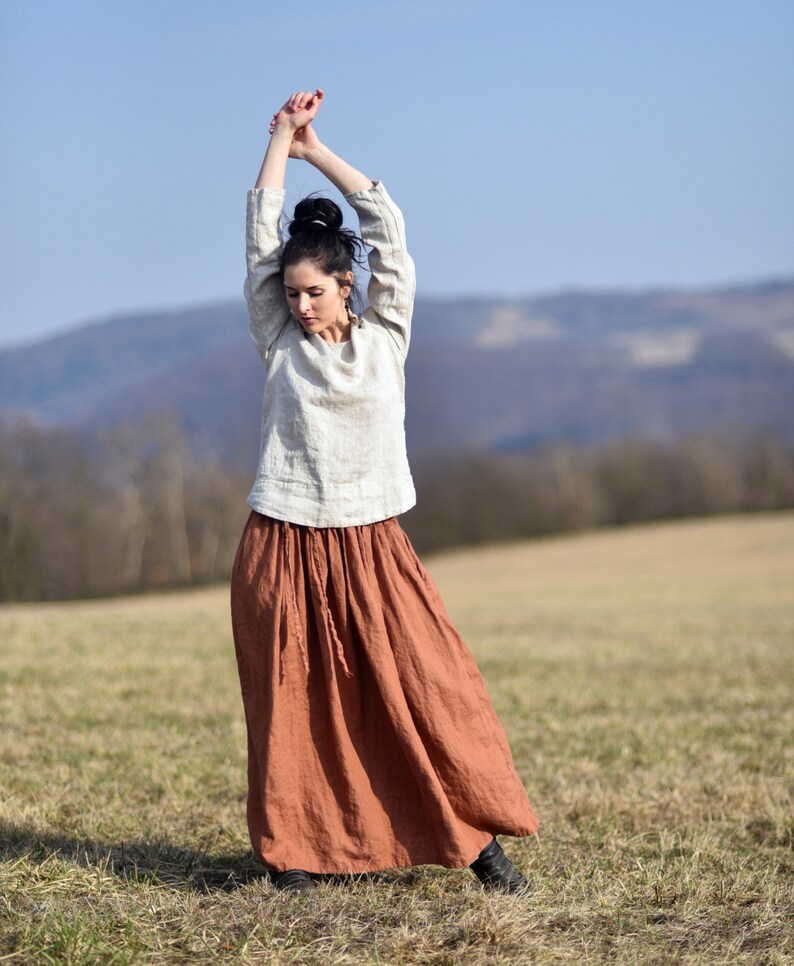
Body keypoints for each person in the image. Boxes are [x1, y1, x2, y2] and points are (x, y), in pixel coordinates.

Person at [230, 88, 540, 894]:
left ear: (346, 285)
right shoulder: (277, 343)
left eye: (315, 292)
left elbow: (387, 227)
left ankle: (478, 846)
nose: (299, 306)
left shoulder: (388, 336)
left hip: (373, 541)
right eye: (290, 294)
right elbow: (262, 232)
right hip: (285, 538)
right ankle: (292, 856)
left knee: (423, 689)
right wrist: (276, 139)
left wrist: (315, 148)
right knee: (292, 706)